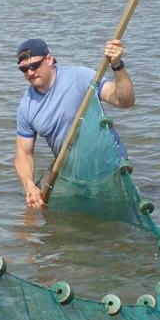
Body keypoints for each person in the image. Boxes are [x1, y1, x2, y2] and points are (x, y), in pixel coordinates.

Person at [13, 37, 136, 209]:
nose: (30, 73)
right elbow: (23, 154)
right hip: (73, 174)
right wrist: (29, 186)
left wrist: (117, 65)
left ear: (49, 59)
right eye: (24, 69)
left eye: (34, 66)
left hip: (109, 165)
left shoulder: (80, 77)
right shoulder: (26, 106)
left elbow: (124, 101)